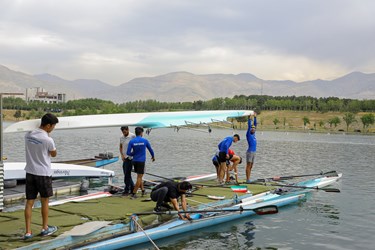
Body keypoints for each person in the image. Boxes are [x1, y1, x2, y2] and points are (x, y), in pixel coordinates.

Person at [23, 113, 59, 240]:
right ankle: (44, 228)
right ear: (48, 125)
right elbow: (54, 154)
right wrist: (48, 138)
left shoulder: (28, 135)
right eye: (53, 126)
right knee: (45, 201)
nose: (53, 128)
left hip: (30, 172)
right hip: (43, 173)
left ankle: (28, 232)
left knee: (29, 203)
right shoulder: (48, 140)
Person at [127, 126, 155, 199]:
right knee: (139, 177)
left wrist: (134, 153)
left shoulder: (132, 141)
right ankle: (134, 193)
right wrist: (153, 156)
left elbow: (128, 153)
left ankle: (143, 190)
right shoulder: (144, 140)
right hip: (141, 161)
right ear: (141, 133)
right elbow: (150, 149)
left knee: (139, 176)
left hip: (134, 161)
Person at [119, 126, 136, 196]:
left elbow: (135, 147)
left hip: (130, 157)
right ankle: (132, 188)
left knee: (127, 174)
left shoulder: (132, 136)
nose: (124, 133)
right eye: (123, 132)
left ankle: (127, 189)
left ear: (128, 130)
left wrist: (133, 155)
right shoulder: (121, 137)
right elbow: (120, 147)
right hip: (124, 157)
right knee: (126, 173)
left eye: (125, 132)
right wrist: (122, 155)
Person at [246, 113, 257, 183]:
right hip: (250, 152)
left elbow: (255, 124)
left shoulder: (254, 134)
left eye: (254, 128)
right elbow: (249, 125)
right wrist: (249, 118)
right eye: (252, 128)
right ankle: (247, 179)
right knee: (248, 165)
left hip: (254, 152)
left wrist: (255, 117)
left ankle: (249, 178)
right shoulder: (249, 134)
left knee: (251, 166)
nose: (253, 129)